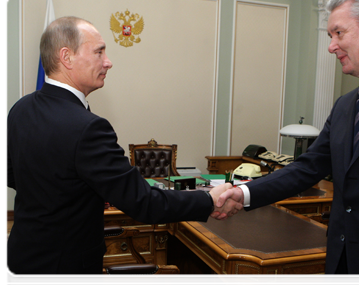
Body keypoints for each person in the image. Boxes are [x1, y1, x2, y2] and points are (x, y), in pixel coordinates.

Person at [5, 16, 241, 285]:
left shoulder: (20, 109)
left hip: (20, 261)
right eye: (99, 52)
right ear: (66, 57)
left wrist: (72, 192)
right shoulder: (88, 127)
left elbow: (12, 174)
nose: (108, 61)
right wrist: (209, 199)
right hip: (65, 270)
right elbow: (144, 203)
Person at [213, 0, 359, 285]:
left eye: (339, 33)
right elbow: (307, 168)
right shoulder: (346, 105)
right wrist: (243, 193)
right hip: (341, 266)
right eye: (329, 35)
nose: (331, 46)